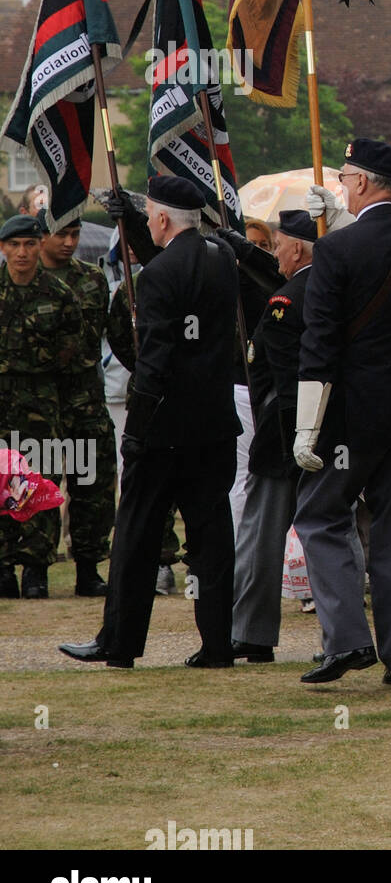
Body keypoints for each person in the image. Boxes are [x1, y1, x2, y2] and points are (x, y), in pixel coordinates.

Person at [59, 176, 241, 668]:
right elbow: (180, 266)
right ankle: (218, 643)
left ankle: (119, 642)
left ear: (161, 219)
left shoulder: (157, 277)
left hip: (163, 430)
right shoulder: (222, 257)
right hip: (214, 425)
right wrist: (137, 222)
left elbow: (155, 362)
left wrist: (136, 432)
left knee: (136, 536)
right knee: (211, 537)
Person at [292, 139, 391, 687]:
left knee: (320, 517)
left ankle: (349, 640)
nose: (338, 187)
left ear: (360, 182)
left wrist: (307, 425)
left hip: (355, 408)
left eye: (343, 178)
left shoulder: (334, 251)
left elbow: (320, 341)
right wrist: (341, 217)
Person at [227, 210, 340, 662]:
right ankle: (343, 637)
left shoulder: (285, 301)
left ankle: (252, 633)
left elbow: (282, 379)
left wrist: (295, 434)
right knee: (335, 533)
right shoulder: (336, 290)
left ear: (296, 248)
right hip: (334, 430)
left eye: (277, 245)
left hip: (284, 433)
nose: (274, 254)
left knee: (261, 535)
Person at [0, 214, 82, 598]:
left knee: (39, 482)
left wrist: (24, 362)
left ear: (38, 247)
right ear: (3, 248)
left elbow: (69, 348)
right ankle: (2, 566)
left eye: (29, 245)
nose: (22, 253)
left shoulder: (60, 293)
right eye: (14, 245)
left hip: (41, 403)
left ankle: (36, 568)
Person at [37, 215, 116, 597]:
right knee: (38, 485)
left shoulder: (93, 278)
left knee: (91, 486)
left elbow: (108, 334)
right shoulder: (24, 277)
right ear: (41, 236)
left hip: (85, 399)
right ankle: (35, 568)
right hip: (39, 403)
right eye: (61, 234)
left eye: (74, 234)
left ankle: (88, 566)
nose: (69, 242)